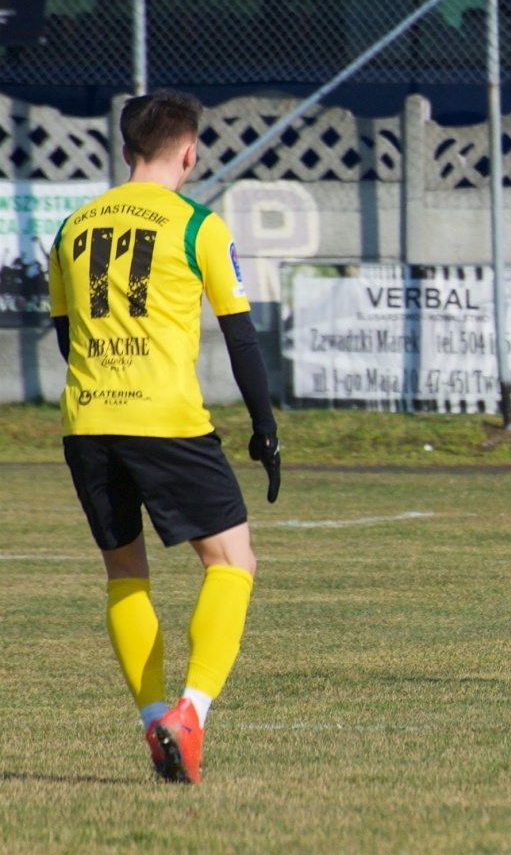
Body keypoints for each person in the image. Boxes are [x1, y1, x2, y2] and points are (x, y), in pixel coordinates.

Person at [48, 90, 282, 784]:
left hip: (87, 421)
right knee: (232, 562)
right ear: (190, 152)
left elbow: (67, 337)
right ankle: (191, 712)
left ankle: (154, 720)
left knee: (125, 573)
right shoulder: (198, 227)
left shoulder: (71, 228)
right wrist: (265, 427)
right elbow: (241, 338)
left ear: (125, 152)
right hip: (167, 420)